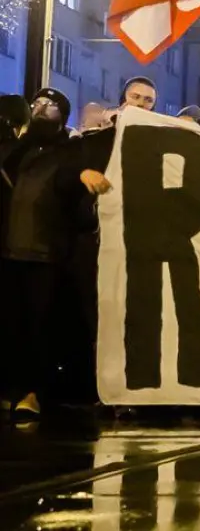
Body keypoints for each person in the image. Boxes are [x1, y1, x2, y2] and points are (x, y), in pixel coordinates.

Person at [0, 89, 110, 418]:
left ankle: (36, 391)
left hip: (48, 254)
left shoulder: (72, 151)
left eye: (49, 107)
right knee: (12, 325)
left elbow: (73, 187)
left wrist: (81, 178)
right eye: (36, 105)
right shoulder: (20, 150)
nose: (40, 110)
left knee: (41, 327)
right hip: (10, 251)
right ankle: (13, 386)